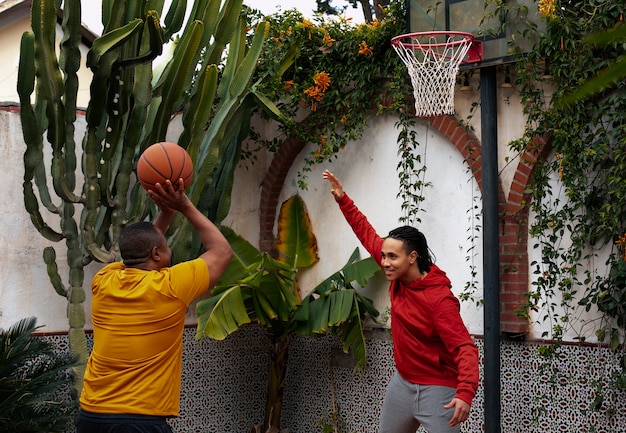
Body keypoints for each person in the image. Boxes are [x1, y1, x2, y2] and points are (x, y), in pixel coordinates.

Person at [323, 170, 479, 433]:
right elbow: (367, 234)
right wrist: (342, 199)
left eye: (392, 257)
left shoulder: (439, 299)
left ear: (412, 257)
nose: (384, 262)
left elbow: (464, 346)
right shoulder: (396, 275)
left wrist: (464, 393)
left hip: (438, 388)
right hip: (403, 384)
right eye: (383, 256)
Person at [77, 179, 233, 433]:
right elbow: (222, 251)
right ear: (157, 255)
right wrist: (184, 206)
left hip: (92, 415)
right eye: (165, 247)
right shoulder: (170, 286)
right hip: (139, 419)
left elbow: (136, 251)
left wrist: (165, 214)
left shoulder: (103, 281)